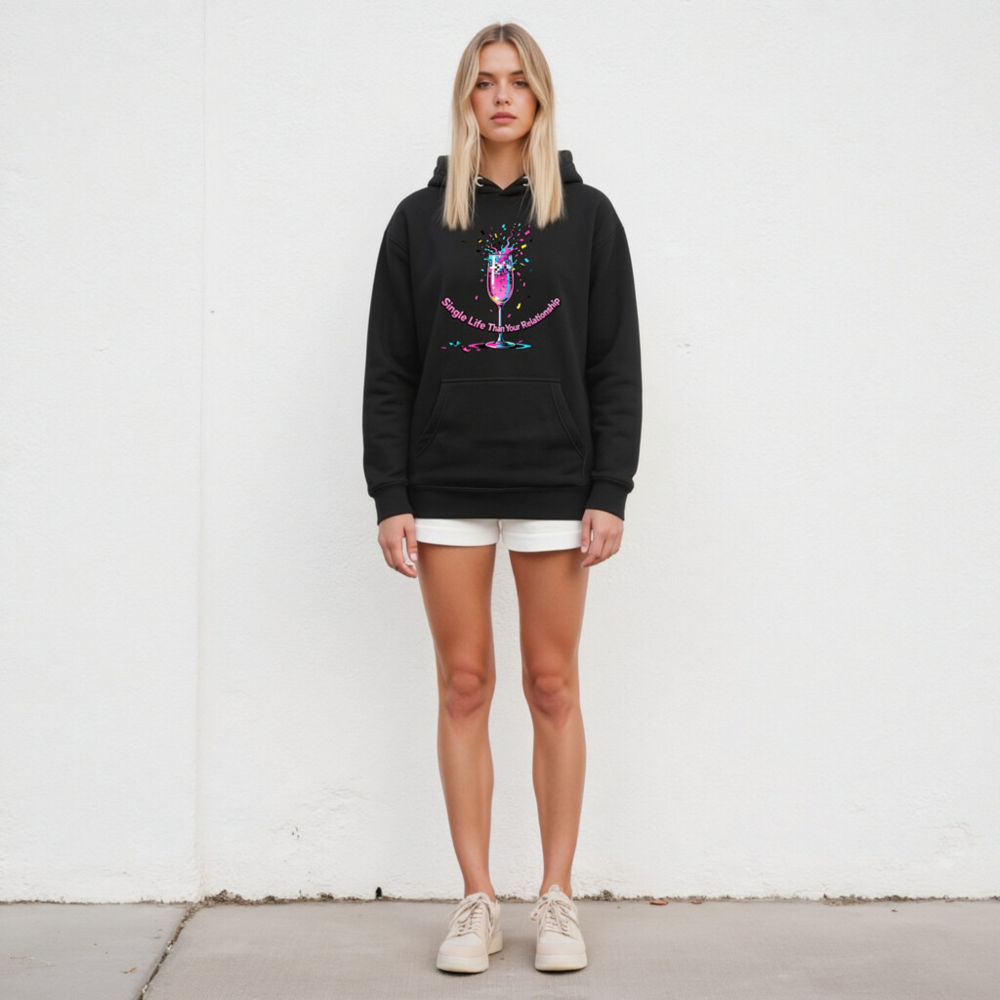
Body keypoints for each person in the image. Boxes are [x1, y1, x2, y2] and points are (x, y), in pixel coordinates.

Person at [361, 22, 642, 975]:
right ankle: (476, 899)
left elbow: (614, 364)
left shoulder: (589, 218)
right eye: (485, 82)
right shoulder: (418, 221)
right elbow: (390, 369)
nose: (502, 96)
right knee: (465, 684)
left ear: (541, 96)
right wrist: (390, 494)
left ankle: (556, 897)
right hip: (445, 483)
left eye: (518, 81)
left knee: (551, 685)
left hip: (556, 485)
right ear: (466, 100)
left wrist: (609, 488)